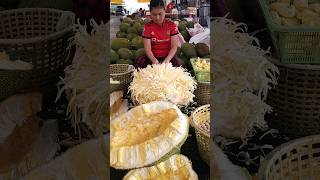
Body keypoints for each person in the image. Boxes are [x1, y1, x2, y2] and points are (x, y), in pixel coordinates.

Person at [135, 0, 181, 68]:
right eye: (154, 14)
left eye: (160, 14)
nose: (157, 18)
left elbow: (174, 47)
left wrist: (167, 60)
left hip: (168, 57)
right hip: (152, 57)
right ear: (150, 13)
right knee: (139, 64)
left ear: (165, 11)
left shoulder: (172, 26)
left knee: (178, 67)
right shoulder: (147, 27)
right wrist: (154, 60)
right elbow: (147, 49)